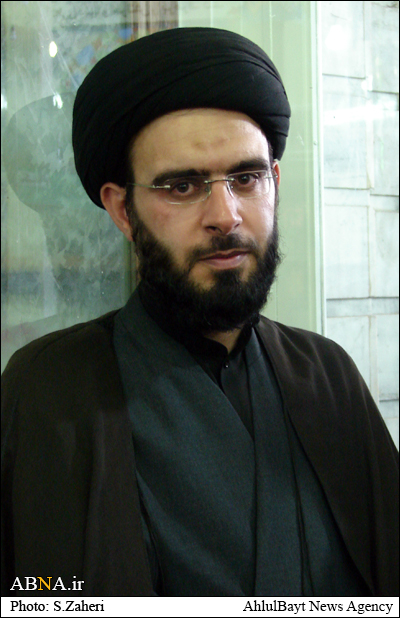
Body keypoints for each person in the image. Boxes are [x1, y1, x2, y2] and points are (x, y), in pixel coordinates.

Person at [1, 27, 398, 598]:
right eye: (183, 186)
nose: (225, 215)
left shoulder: (327, 377)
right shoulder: (51, 389)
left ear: (275, 183)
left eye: (246, 177)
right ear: (122, 209)